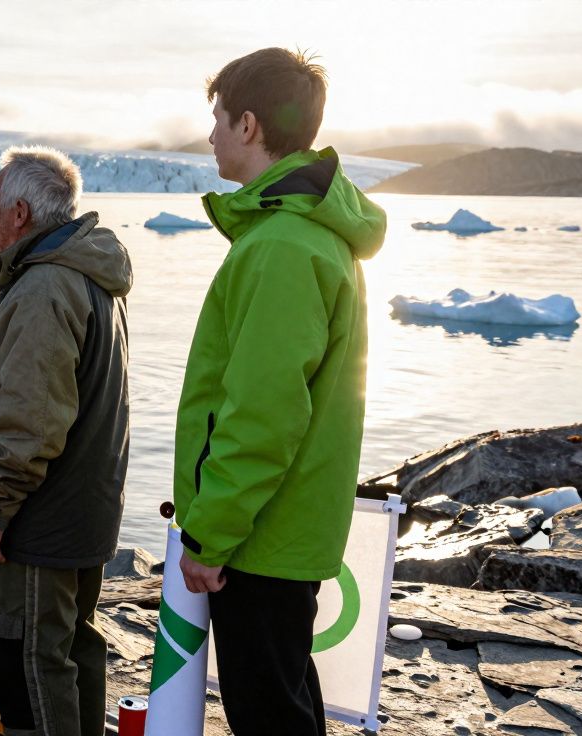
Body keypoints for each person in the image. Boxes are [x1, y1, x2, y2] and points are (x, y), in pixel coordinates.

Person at [173, 48, 387, 735]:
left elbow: (264, 414)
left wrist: (210, 535)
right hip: (283, 530)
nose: (209, 136)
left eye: (217, 119)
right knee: (287, 700)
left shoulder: (283, 247)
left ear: (249, 125)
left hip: (260, 538)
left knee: (268, 712)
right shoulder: (305, 236)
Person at [0, 146, 131, 736]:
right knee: (70, 648)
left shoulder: (43, 288)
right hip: (82, 507)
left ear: (19, 212)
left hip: (38, 521)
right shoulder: (83, 273)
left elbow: (34, 421)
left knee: (23, 660)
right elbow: (34, 383)